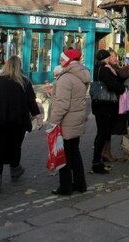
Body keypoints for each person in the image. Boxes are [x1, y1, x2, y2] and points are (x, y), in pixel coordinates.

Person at [0, 56, 40, 194]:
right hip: (17, 122)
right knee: (15, 147)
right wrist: (37, 116)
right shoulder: (24, 82)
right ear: (20, 67)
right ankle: (15, 171)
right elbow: (31, 102)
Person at [49, 48, 91, 195]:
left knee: (64, 156)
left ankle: (65, 187)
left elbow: (62, 104)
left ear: (68, 61)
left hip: (66, 123)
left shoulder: (66, 78)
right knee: (75, 153)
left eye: (62, 59)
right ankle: (80, 184)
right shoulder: (81, 74)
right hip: (76, 120)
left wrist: (53, 122)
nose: (60, 62)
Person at [91, 50, 128, 174]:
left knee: (102, 132)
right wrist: (122, 88)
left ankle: (100, 157)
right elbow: (112, 85)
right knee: (102, 133)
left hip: (98, 105)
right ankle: (97, 162)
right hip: (105, 105)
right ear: (106, 58)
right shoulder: (106, 69)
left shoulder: (97, 68)